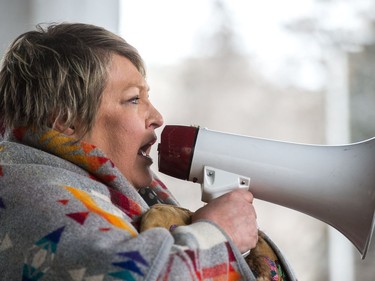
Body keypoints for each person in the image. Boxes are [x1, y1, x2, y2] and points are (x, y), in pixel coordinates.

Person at [0, 23, 296, 280]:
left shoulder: (72, 187)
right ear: (65, 120)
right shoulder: (32, 196)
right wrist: (217, 233)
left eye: (147, 98)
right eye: (133, 99)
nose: (157, 116)